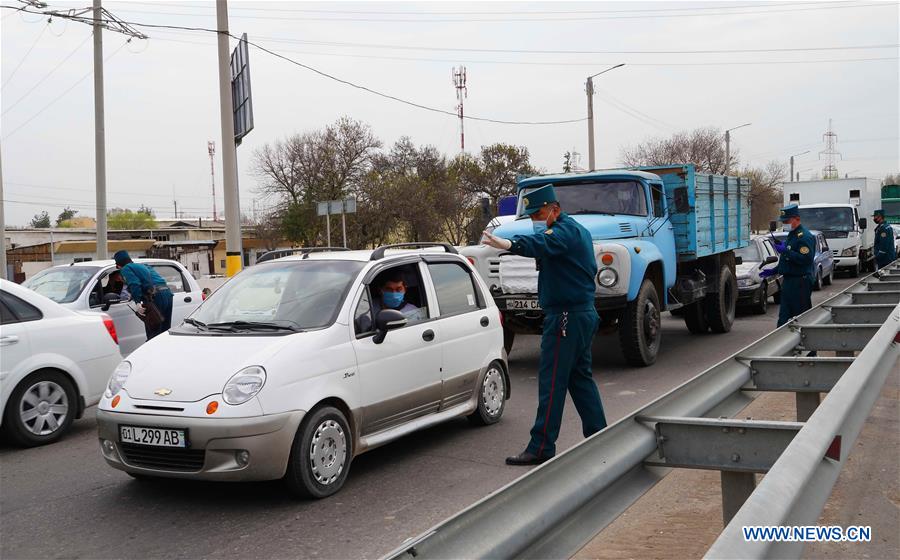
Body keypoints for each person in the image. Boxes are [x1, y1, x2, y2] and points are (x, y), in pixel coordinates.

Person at [482, 184, 607, 466]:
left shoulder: (564, 232)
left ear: (554, 210)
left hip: (566, 316)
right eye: (532, 217)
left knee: (552, 383)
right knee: (579, 379)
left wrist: (509, 244)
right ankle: (601, 437)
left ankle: (541, 447)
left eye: (538, 214)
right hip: (580, 314)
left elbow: (543, 243)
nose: (536, 221)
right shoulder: (577, 231)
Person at [762, 204, 816, 327]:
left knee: (801, 318)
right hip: (789, 281)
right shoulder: (792, 235)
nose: (785, 223)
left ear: (796, 219)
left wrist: (785, 251)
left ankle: (806, 344)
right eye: (783, 221)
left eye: (787, 221)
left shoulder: (804, 237)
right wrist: (774, 270)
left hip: (800, 283)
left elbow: (806, 259)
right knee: (784, 318)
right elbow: (788, 260)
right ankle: (783, 345)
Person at [114, 250, 174, 340]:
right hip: (168, 294)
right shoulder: (143, 266)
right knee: (165, 331)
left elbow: (134, 284)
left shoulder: (126, 268)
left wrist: (137, 302)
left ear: (118, 265)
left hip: (156, 296)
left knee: (153, 333)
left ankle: (153, 353)